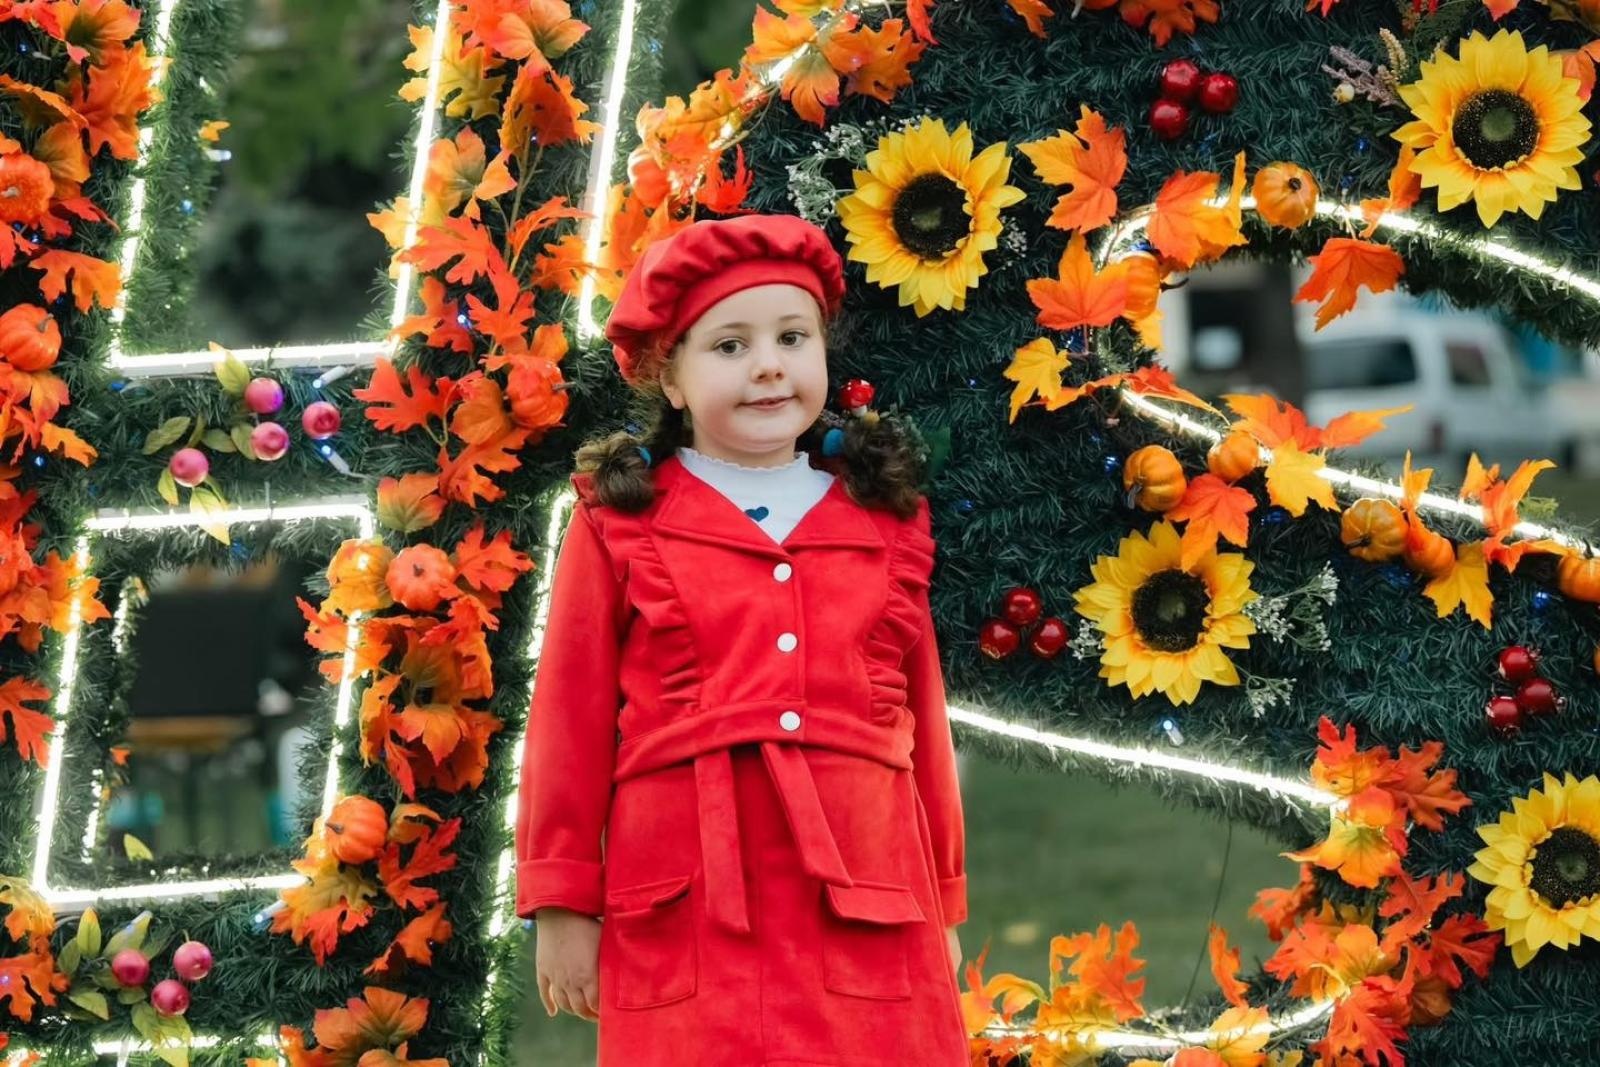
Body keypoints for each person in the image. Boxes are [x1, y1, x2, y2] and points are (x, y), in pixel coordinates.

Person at [514, 213, 969, 1065]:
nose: (767, 364)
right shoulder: (623, 520)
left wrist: (943, 897)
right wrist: (564, 901)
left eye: (791, 337)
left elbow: (923, 726)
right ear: (670, 379)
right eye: (729, 346)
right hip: (687, 891)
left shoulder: (885, 521)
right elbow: (567, 718)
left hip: (868, 888)